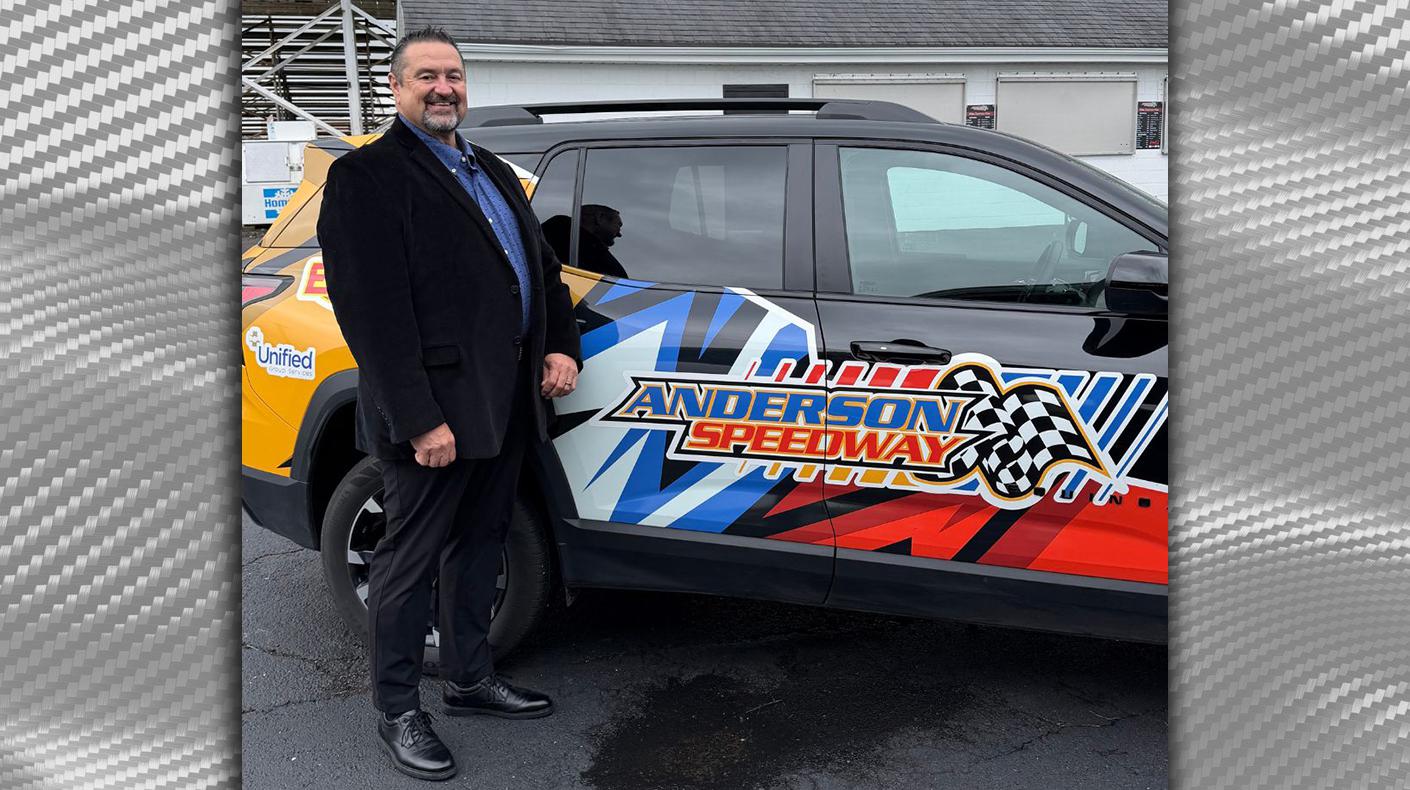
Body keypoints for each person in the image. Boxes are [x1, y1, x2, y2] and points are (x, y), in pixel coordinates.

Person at [317, 26, 581, 782]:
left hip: (503, 405)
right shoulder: (368, 177)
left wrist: (559, 343)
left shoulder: (489, 167)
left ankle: (470, 679)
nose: (444, 88)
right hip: (434, 415)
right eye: (427, 75)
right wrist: (420, 416)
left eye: (455, 76)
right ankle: (399, 710)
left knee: (479, 547)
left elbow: (541, 267)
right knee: (406, 565)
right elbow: (370, 309)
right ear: (397, 89)